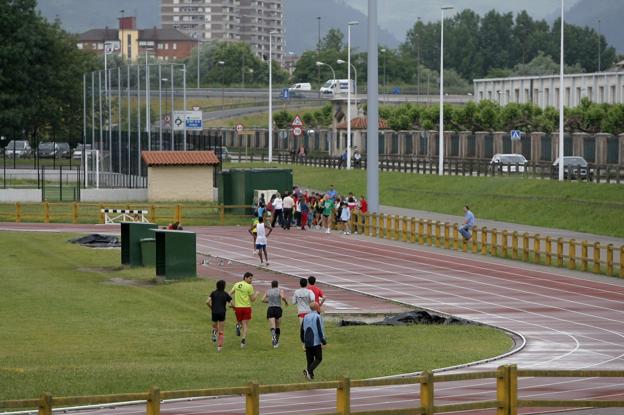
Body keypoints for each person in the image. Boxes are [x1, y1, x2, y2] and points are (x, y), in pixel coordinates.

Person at [230, 272, 257, 348]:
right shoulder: (249, 286)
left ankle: (238, 326)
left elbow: (229, 294)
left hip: (238, 308)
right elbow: (252, 299)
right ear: (245, 277)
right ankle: (243, 340)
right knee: (245, 324)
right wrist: (257, 294)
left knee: (240, 322)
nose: (251, 280)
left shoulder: (236, 284)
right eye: (250, 278)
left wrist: (231, 303)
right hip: (246, 307)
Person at [301, 302, 327, 381]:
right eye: (319, 306)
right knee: (319, 358)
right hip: (315, 341)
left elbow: (302, 330)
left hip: (307, 341)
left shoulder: (305, 316)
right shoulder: (317, 317)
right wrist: (323, 341)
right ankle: (308, 371)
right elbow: (320, 329)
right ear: (316, 308)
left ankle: (310, 376)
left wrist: (303, 341)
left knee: (310, 360)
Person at [206, 280, 232, 352]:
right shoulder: (225, 294)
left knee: (215, 327)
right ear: (224, 286)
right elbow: (231, 303)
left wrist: (211, 307)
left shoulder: (213, 293)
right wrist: (234, 307)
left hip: (214, 312)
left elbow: (207, 301)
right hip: (222, 313)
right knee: (221, 331)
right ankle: (219, 347)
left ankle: (214, 333)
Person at [262, 280, 288, 348]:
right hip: (278, 308)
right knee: (278, 326)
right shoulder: (280, 290)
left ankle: (273, 336)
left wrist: (269, 301)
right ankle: (276, 342)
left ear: (271, 285)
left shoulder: (268, 291)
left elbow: (263, 299)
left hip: (270, 309)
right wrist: (286, 302)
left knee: (272, 326)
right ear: (277, 285)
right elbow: (282, 297)